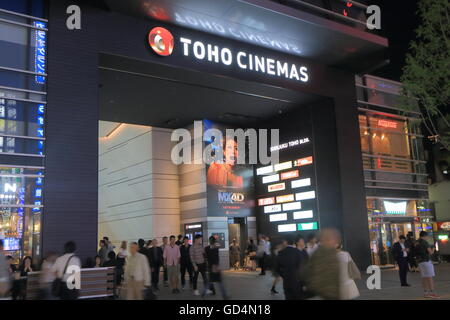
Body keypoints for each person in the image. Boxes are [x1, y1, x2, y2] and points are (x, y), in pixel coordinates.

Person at [303, 229, 341, 300]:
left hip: (330, 293)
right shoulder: (321, 253)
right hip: (324, 294)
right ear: (325, 239)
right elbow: (309, 273)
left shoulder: (331, 252)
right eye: (333, 238)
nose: (336, 241)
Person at [276, 235, 306, 300]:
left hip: (286, 281)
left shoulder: (281, 252)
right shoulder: (298, 252)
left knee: (288, 297)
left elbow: (277, 268)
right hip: (297, 281)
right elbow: (301, 267)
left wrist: (284, 275)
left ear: (285, 242)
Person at [416, 231, 439, 298]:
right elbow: (430, 252)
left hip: (420, 262)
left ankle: (426, 292)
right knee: (430, 277)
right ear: (425, 236)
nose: (427, 237)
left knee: (424, 277)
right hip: (426, 261)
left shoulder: (417, 242)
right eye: (427, 236)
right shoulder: (425, 242)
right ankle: (432, 292)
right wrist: (434, 248)